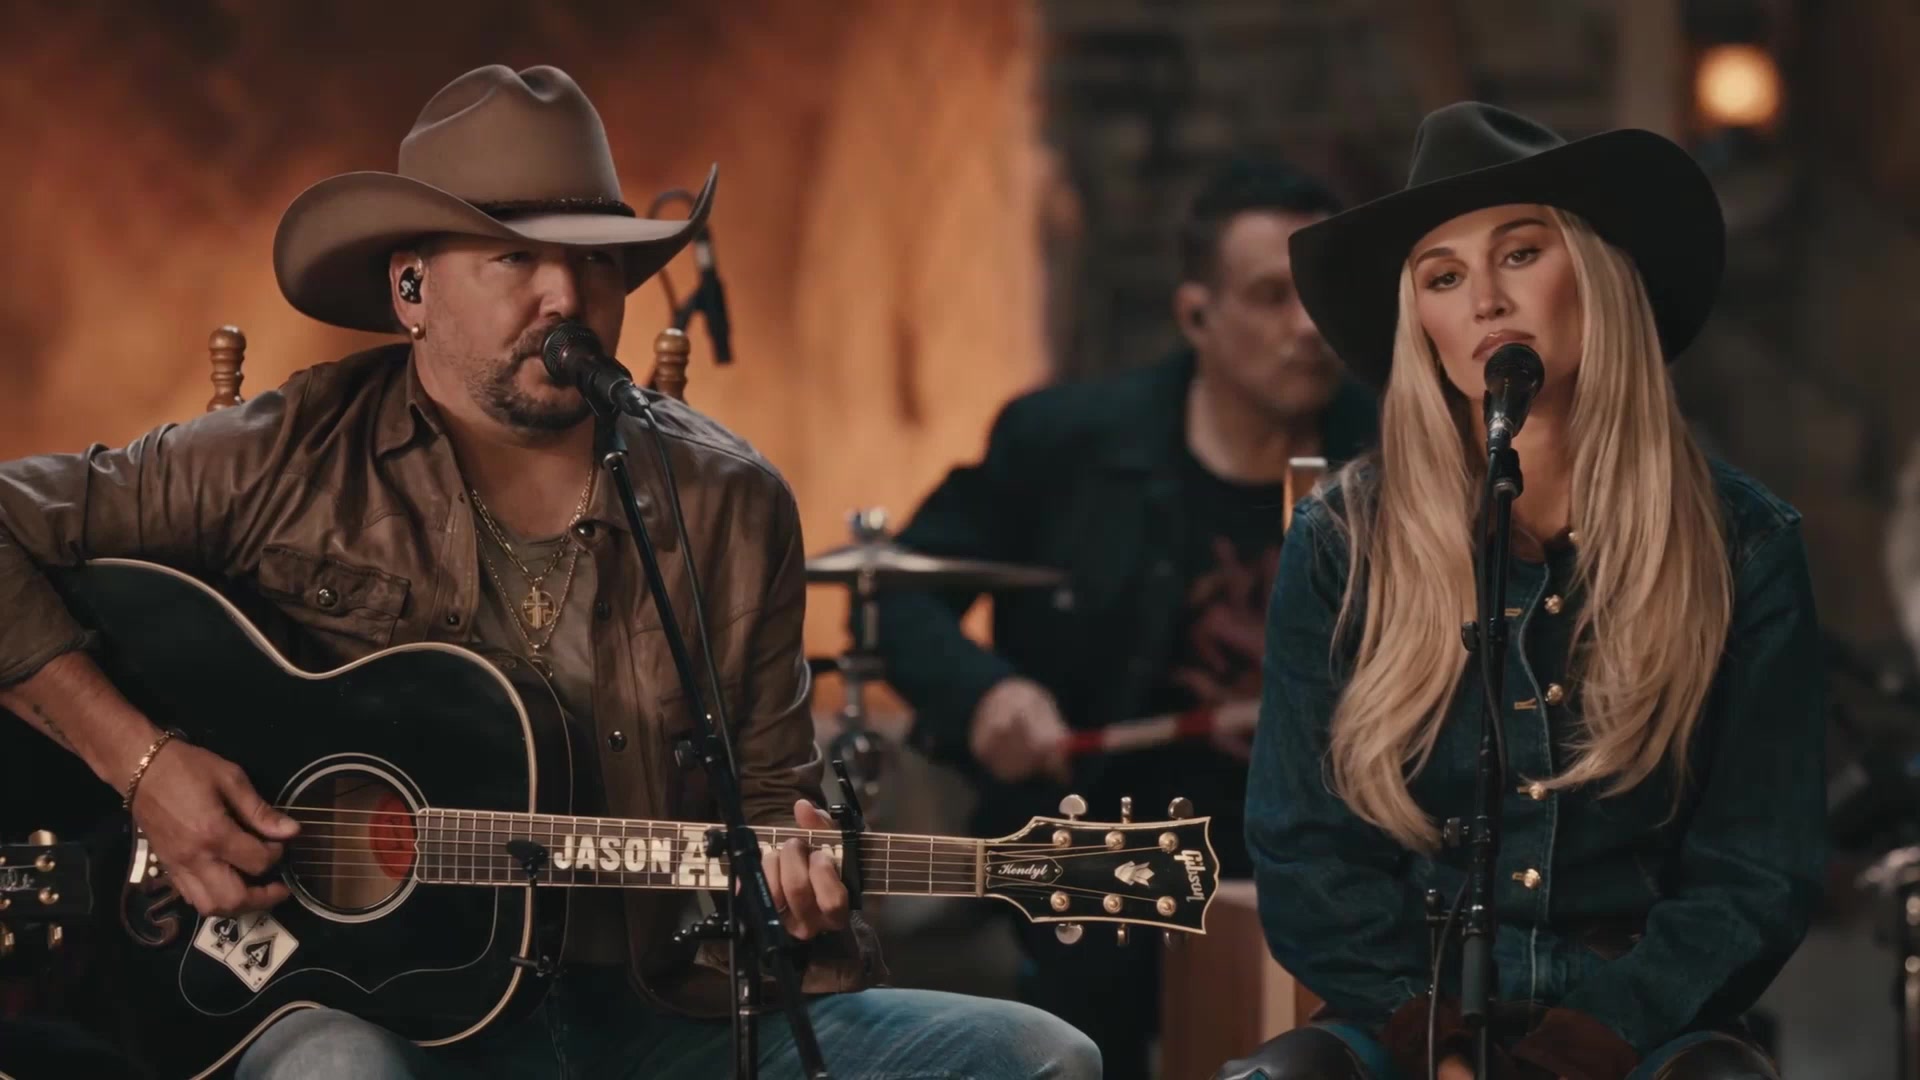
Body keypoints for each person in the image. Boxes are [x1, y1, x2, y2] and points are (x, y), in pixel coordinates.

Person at [0, 64, 1099, 1080]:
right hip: (361, 1009)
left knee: (1040, 1056)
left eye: (596, 259)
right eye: (516, 258)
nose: (567, 296)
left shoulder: (727, 501)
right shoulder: (284, 454)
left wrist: (800, 887)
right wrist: (144, 764)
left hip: (657, 1010)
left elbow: (774, 805)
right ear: (412, 288)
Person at [1226, 102, 1823, 1080]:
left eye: (1520, 253)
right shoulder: (1343, 540)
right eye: (1444, 276)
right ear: (1421, 323)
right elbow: (1304, 851)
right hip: (1406, 1010)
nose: (1485, 302)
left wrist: (1584, 1046)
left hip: (1640, 1022)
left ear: (1597, 275)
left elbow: (1757, 874)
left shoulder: (1745, 545)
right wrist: (1438, 1044)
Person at [873, 154, 1379, 1078]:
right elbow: (900, 593)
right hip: (1092, 852)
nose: (1308, 327)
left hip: (1333, 862)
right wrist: (987, 697)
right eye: (1270, 297)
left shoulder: (1399, 448)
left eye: (1320, 296)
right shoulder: (1065, 441)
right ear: (1196, 315)